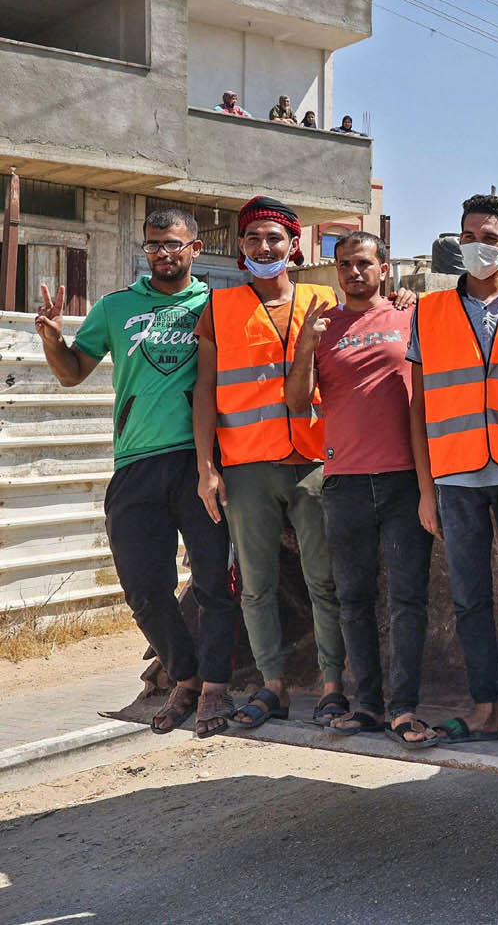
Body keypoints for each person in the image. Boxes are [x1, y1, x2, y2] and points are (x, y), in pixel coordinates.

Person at [33, 209, 238, 739]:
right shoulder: (116, 307)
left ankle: (216, 684)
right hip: (135, 464)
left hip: (201, 463)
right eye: (153, 246)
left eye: (172, 245)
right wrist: (53, 338)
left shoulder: (217, 305)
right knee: (145, 589)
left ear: (195, 249)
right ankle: (186, 675)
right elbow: (73, 373)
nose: (162, 254)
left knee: (215, 582)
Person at [406, 194, 498, 749]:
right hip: (456, 475)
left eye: (488, 238)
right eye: (468, 236)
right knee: (470, 598)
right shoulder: (429, 310)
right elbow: (418, 405)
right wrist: (426, 489)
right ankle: (484, 708)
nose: (477, 247)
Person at [192, 196, 347, 729]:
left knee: (323, 581)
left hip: (313, 461)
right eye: (254, 237)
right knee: (256, 585)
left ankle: (332, 687)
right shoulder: (220, 307)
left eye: (274, 238)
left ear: (294, 245)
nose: (264, 247)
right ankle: (272, 686)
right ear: (240, 246)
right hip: (246, 465)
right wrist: (205, 466)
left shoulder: (324, 297)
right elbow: (206, 391)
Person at [285, 232, 441, 748]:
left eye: (364, 263)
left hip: (403, 479)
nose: (354, 272)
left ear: (385, 266)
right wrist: (307, 343)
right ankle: (367, 704)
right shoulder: (324, 328)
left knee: (407, 600)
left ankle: (404, 707)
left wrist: (426, 487)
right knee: (353, 599)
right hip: (344, 482)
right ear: (336, 271)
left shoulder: (410, 316)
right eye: (345, 265)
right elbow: (296, 402)